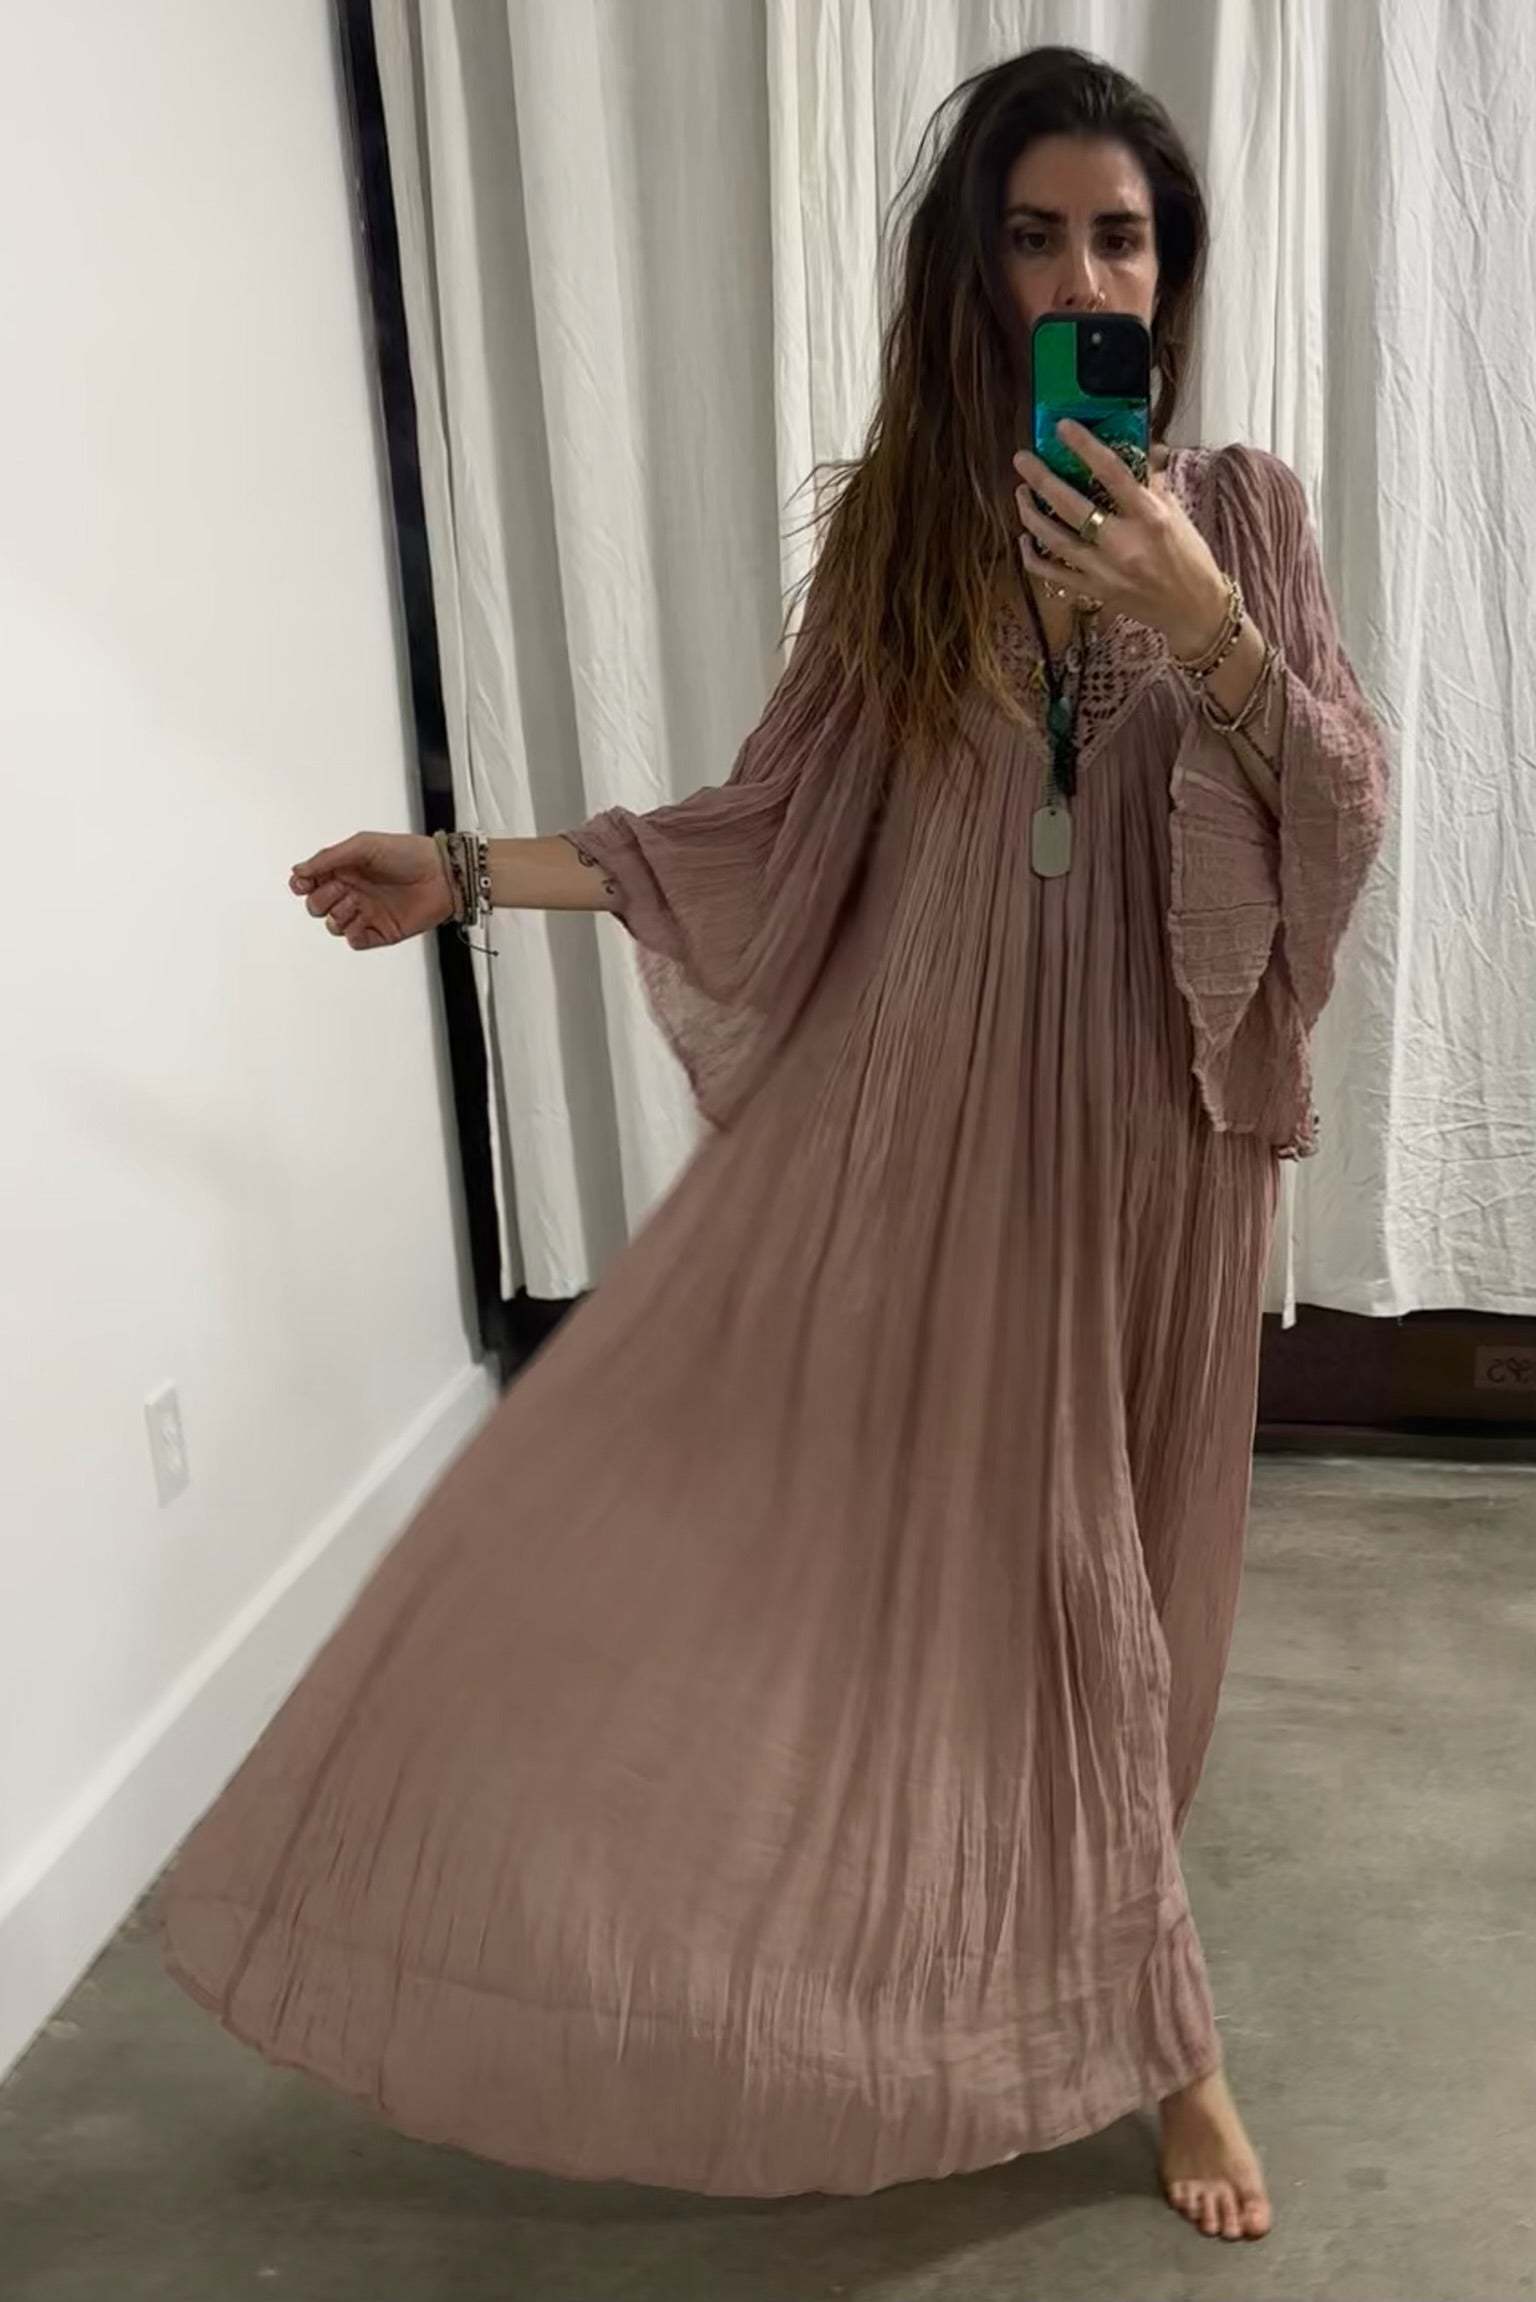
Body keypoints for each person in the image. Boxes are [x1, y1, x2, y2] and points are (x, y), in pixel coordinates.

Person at [161, 48, 1387, 2246]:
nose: (1079, 278)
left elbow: (1343, 809)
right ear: (970, 273)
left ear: (1169, 274)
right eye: (1035, 237)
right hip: (952, 1142)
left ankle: (1088, 1953)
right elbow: (760, 831)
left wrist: (1195, 618)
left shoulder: (1251, 520)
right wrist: (469, 867)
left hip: (1173, 1151)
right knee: (1048, 1583)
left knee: (1145, 1587)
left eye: (1119, 239)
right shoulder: (900, 541)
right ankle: (1169, 2039)